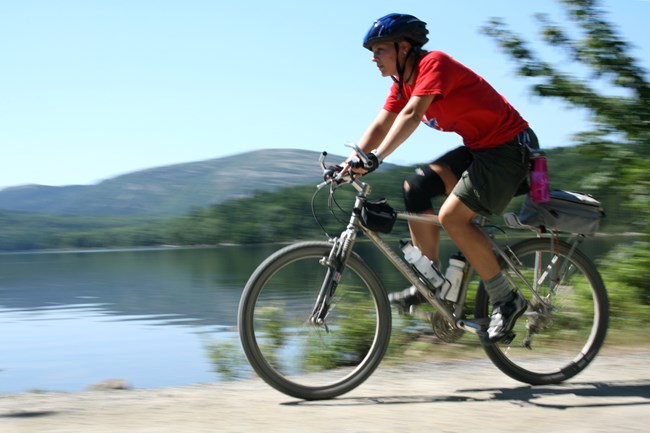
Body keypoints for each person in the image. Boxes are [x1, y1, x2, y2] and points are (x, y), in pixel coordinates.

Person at [337, 13, 539, 343]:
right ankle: (429, 281)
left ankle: (507, 299)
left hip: (509, 150)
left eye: (380, 50)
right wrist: (351, 161)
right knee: (415, 186)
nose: (374, 58)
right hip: (479, 150)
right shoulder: (403, 84)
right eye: (371, 52)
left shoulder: (435, 64)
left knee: (452, 219)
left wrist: (377, 157)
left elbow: (412, 115)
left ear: (404, 48)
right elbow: (380, 125)